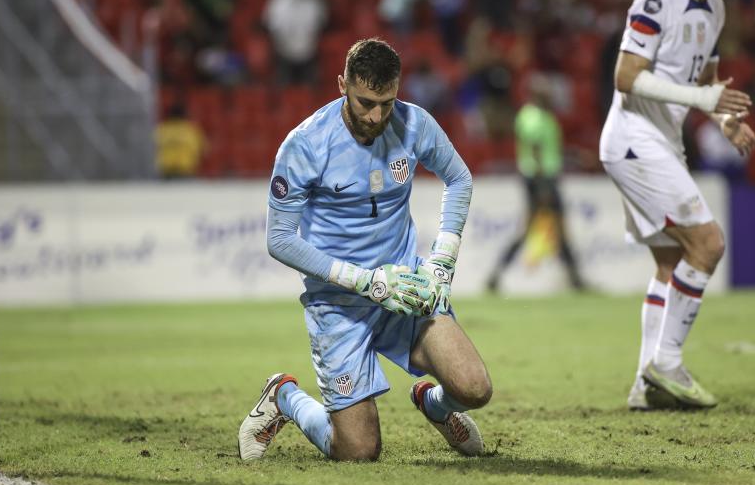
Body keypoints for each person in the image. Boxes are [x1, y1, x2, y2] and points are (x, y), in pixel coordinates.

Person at [239, 38, 492, 462]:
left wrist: (442, 263)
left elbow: (460, 179)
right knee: (357, 451)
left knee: (474, 388)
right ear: (342, 85)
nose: (376, 116)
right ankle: (284, 396)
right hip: (339, 302)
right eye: (365, 102)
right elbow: (279, 239)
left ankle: (434, 405)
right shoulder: (305, 145)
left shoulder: (414, 124)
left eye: (387, 103)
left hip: (406, 288)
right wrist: (365, 281)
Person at [598, 0, 755, 411]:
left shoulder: (717, 9)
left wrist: (724, 121)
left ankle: (645, 388)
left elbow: (706, 83)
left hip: (661, 141)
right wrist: (702, 100)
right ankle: (666, 364)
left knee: (671, 262)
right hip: (633, 138)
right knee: (708, 243)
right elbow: (626, 76)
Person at [486, 76, 583, 292]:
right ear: (536, 94)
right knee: (541, 230)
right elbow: (537, 151)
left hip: (543, 178)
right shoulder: (533, 118)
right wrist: (543, 188)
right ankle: (495, 275)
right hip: (540, 180)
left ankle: (576, 280)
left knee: (552, 230)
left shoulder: (538, 116)